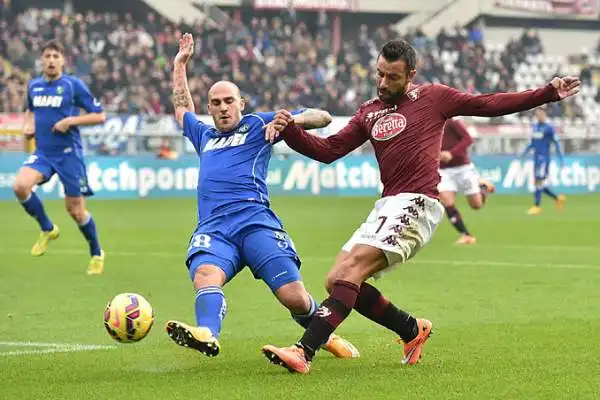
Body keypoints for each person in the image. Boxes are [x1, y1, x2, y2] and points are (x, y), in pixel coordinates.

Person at [261, 39, 580, 374]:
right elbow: (329, 150)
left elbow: (487, 103)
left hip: (419, 203)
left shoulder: (433, 97)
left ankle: (304, 351)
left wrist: (546, 93)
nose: (383, 83)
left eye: (393, 77)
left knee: (350, 272)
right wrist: (291, 133)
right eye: (379, 74)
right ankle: (412, 330)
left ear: (411, 74)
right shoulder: (369, 111)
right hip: (386, 205)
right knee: (337, 280)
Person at [164, 33, 359, 359]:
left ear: (241, 104)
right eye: (216, 102)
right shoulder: (204, 136)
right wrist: (179, 64)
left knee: (294, 297)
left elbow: (322, 116)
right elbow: (182, 107)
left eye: (229, 101)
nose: (223, 107)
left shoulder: (257, 124)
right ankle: (207, 334)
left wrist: (289, 120)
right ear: (209, 108)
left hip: (255, 224)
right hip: (215, 229)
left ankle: (326, 337)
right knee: (205, 276)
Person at [12, 40, 106, 274]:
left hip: (68, 155)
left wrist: (70, 121)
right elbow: (29, 110)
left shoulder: (73, 86)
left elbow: (100, 116)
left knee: (75, 211)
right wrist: (27, 126)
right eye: (47, 56)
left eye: (56, 56)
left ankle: (96, 252)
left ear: (63, 60)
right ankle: (47, 228)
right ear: (41, 61)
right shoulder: (34, 86)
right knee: (20, 186)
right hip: (43, 153)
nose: (51, 60)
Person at [438, 118, 495, 245]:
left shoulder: (452, 122)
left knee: (476, 205)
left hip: (462, 168)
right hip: (443, 170)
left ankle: (484, 187)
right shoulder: (428, 123)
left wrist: (452, 153)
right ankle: (466, 235)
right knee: (447, 202)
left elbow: (468, 139)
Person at [520, 106, 565, 215]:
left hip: (544, 159)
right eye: (537, 114)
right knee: (538, 183)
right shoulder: (535, 127)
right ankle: (557, 198)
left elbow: (556, 143)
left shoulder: (549, 128)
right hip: (536, 158)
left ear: (544, 114)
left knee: (539, 182)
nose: (538, 116)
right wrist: (524, 153)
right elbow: (532, 143)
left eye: (539, 114)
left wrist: (561, 158)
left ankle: (537, 206)